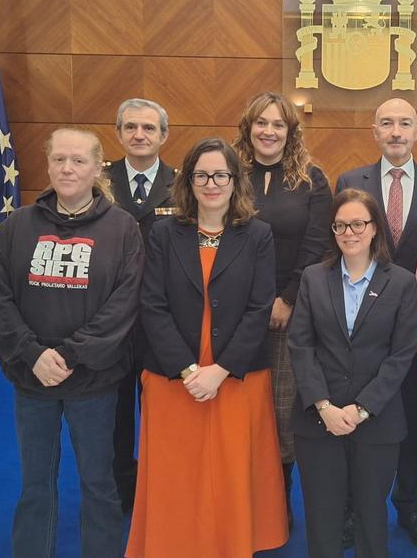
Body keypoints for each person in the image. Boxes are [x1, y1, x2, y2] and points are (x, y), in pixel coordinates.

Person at [126, 137, 288, 557]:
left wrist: (220, 369)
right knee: (177, 471)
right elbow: (152, 305)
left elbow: (259, 309)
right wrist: (186, 369)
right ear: (189, 181)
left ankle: (230, 544)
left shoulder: (258, 235)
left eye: (220, 175)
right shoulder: (164, 232)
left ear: (235, 181)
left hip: (236, 375)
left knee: (231, 471)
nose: (211, 183)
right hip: (173, 375)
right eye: (202, 175)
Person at [0, 127, 143, 558]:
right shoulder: (17, 226)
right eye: (59, 159)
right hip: (31, 379)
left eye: (78, 160)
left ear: (97, 167)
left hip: (93, 381)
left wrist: (72, 353)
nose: (68, 168)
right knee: (36, 484)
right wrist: (33, 354)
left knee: (99, 483)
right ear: (48, 164)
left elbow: (123, 304)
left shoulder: (123, 229)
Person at [335, 97, 417, 552]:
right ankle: (353, 507)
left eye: (404, 123)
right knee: (357, 416)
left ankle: (409, 505)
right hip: (359, 326)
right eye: (386, 123)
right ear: (374, 130)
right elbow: (344, 247)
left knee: (409, 417)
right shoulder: (351, 181)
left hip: (415, 324)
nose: (395, 131)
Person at [288, 188, 417, 558]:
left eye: (358, 223)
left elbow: (401, 355)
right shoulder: (314, 278)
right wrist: (323, 405)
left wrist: (361, 409)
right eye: (340, 225)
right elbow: (301, 345)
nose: (349, 232)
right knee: (323, 517)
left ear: (375, 227)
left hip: (376, 422)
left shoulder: (402, 282)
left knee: (371, 517)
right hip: (318, 419)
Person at [233, 91, 333, 528]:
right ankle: (239, 499)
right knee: (237, 408)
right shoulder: (228, 173)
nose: (269, 131)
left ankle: (277, 504)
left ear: (291, 131)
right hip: (233, 311)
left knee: (281, 411)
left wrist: (288, 298)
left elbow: (317, 243)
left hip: (286, 312)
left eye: (278, 124)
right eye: (261, 123)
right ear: (248, 128)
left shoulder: (311, 180)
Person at [106, 98, 175, 512]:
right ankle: (118, 484)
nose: (139, 135)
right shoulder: (98, 181)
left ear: (164, 136)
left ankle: (159, 485)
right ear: (118, 134)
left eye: (149, 128)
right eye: (130, 127)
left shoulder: (182, 183)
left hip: (161, 318)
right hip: (111, 318)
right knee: (113, 411)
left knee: (162, 410)